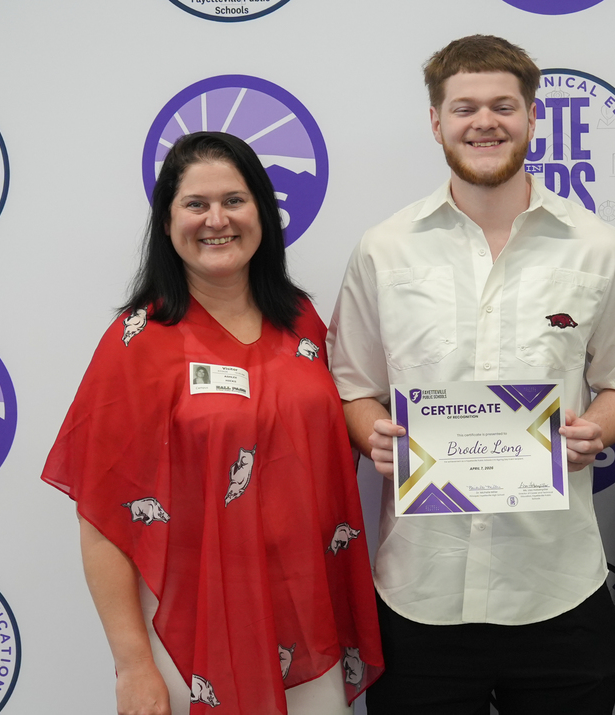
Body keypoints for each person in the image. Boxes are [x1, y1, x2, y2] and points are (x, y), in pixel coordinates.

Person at [327, 34, 615, 715]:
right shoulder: (383, 251)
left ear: (533, 117)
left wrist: (596, 426)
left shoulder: (597, 248)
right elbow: (353, 383)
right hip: (420, 591)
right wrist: (373, 437)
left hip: (555, 588)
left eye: (504, 106)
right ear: (436, 122)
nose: (486, 122)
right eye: (465, 107)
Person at [42, 132, 382, 715]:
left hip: (306, 624)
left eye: (235, 200)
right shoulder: (138, 341)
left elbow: (335, 438)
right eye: (195, 204)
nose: (216, 219)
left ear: (262, 214)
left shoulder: (300, 320)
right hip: (191, 635)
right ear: (168, 222)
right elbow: (102, 516)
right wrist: (132, 665)